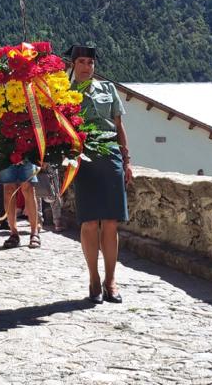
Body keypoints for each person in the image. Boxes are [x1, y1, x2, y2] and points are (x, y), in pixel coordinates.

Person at [69, 45, 133, 305]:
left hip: (110, 157)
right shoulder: (65, 93)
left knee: (110, 222)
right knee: (88, 222)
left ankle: (111, 281)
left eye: (91, 62)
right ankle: (94, 278)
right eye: (82, 61)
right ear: (73, 64)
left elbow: (119, 126)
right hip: (83, 158)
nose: (87, 66)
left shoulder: (108, 90)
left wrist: (127, 160)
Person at [0, 162, 41, 248]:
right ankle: (14, 233)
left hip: (27, 155)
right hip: (5, 151)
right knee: (8, 190)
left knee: (28, 188)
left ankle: (34, 232)